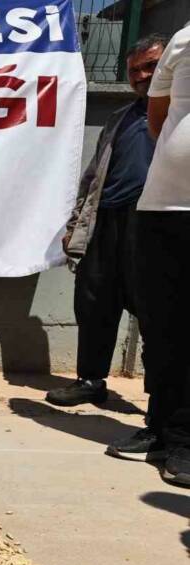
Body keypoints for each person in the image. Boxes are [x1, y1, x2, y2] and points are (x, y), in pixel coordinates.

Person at [48, 35, 167, 407]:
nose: (142, 75)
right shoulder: (121, 117)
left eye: (151, 66)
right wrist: (76, 225)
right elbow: (93, 175)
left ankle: (162, 396)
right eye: (135, 70)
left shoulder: (180, 115)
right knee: (94, 301)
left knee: (157, 310)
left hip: (155, 224)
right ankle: (90, 380)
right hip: (107, 221)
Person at [106, 22, 190, 488]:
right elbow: (159, 120)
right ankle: (160, 428)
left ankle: (184, 440)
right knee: (162, 329)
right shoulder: (182, 40)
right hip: (162, 207)